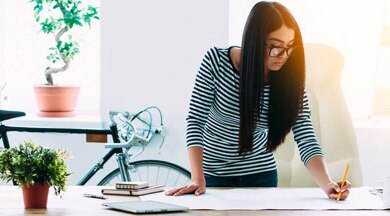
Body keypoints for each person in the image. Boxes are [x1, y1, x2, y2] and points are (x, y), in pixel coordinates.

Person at [165, 1, 351, 200]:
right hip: (214, 176)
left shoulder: (290, 82)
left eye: (290, 47)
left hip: (262, 175)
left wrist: (328, 184)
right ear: (255, 40)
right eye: (276, 47)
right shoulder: (216, 63)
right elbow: (195, 121)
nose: (283, 56)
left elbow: (306, 137)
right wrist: (197, 177)